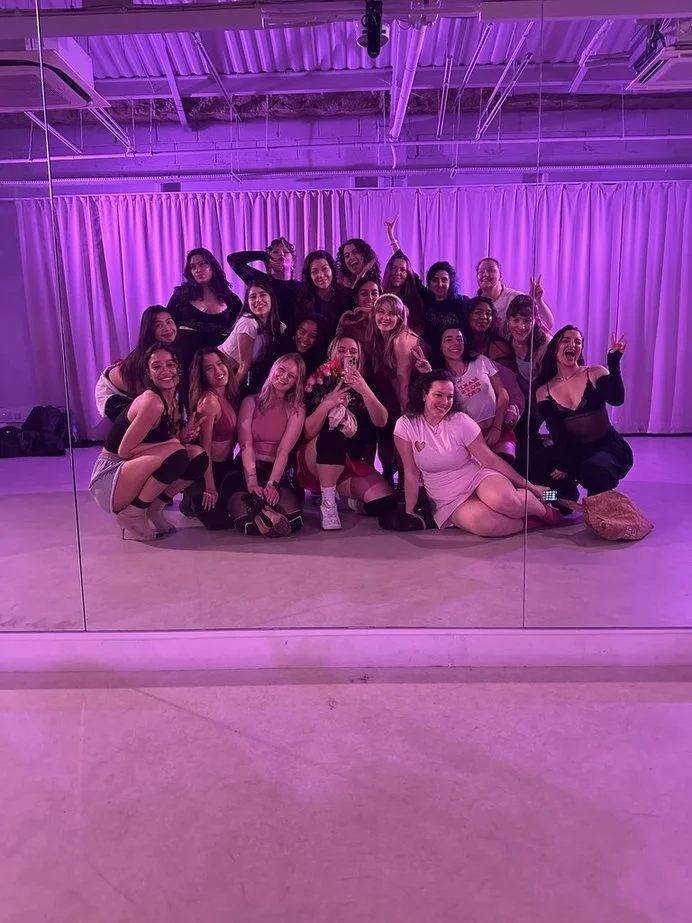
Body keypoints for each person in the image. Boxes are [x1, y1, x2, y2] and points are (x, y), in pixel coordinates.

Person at [394, 371, 560, 535]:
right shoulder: (406, 425)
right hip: (447, 498)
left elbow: (490, 460)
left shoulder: (460, 421)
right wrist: (411, 512)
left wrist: (529, 485)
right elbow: (411, 472)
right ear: (424, 395)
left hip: (477, 477)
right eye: (438, 395)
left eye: (450, 397)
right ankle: (530, 522)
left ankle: (543, 510)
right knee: (489, 525)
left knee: (506, 501)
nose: (445, 402)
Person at [88, 344, 208, 541]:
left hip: (131, 470)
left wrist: (181, 438)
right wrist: (172, 445)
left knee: (197, 457)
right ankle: (132, 515)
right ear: (148, 374)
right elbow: (125, 450)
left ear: (179, 368)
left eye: (170, 364)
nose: (165, 371)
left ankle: (154, 509)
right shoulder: (152, 401)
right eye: (156, 366)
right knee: (176, 454)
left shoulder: (173, 401)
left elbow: (164, 443)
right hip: (109, 477)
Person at [297, 336, 395, 531]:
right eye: (341, 350)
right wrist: (327, 404)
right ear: (331, 354)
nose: (347, 355)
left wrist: (365, 390)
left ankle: (348, 500)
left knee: (385, 503)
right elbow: (307, 431)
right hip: (314, 457)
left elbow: (381, 421)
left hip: (349, 463)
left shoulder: (367, 385)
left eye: (353, 352)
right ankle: (328, 505)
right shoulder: (317, 381)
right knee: (333, 437)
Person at [535, 327, 633, 498]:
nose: (572, 344)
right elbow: (557, 431)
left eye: (577, 342)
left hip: (605, 448)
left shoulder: (594, 372)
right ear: (555, 347)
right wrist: (564, 465)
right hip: (572, 450)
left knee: (595, 470)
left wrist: (614, 361)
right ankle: (555, 502)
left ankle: (596, 503)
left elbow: (617, 399)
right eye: (566, 340)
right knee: (541, 472)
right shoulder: (544, 391)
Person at [227, 354, 306, 536]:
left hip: (274, 470)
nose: (284, 376)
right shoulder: (250, 402)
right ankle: (263, 512)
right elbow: (246, 445)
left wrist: (272, 483)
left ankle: (262, 510)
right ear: (273, 369)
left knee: (296, 520)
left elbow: (284, 450)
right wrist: (252, 481)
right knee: (245, 524)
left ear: (296, 382)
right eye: (282, 370)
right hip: (246, 468)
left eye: (291, 375)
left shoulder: (297, 408)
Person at [367, 293, 431, 483]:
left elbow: (404, 379)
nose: (385, 317)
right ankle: (389, 472)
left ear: (400, 317)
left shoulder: (401, 339)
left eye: (392, 314)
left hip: (411, 395)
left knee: (401, 435)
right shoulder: (379, 336)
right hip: (392, 392)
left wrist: (404, 413)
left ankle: (404, 481)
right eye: (381, 312)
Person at [436, 327, 517, 463]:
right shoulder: (442, 378)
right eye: (448, 340)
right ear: (440, 346)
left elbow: (503, 393)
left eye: (459, 339)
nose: (455, 343)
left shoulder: (481, 361)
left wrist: (496, 427)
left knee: (506, 462)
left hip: (498, 429)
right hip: (470, 439)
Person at [95, 305, 178, 422]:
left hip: (136, 392)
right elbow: (152, 395)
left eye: (169, 322)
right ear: (149, 330)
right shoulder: (149, 355)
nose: (167, 328)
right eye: (158, 325)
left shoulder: (170, 348)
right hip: (113, 392)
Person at [187, 347, 240, 529]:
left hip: (226, 466)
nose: (218, 371)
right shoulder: (209, 403)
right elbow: (205, 449)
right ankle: (190, 499)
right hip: (208, 470)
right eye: (209, 368)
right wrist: (210, 486)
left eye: (219, 364)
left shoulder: (230, 394)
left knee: (239, 511)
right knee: (219, 522)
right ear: (203, 376)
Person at [167, 248, 242, 370]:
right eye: (193, 267)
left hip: (219, 364)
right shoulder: (181, 296)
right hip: (186, 361)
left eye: (202, 264)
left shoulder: (231, 299)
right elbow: (167, 323)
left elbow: (240, 330)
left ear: (212, 266)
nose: (197, 270)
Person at [218, 279, 285, 391]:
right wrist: (230, 393)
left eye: (262, 295)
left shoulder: (278, 326)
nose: (258, 300)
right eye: (253, 297)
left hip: (236, 373)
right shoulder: (248, 322)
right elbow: (244, 366)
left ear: (271, 298)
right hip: (221, 371)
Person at [227, 237, 302, 324]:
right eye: (275, 252)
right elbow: (232, 260)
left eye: (285, 252)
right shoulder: (260, 281)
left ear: (292, 260)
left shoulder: (301, 287)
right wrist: (262, 256)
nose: (281, 254)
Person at [476, 257, 553, 328]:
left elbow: (548, 324)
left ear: (500, 275)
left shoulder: (515, 298)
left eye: (491, 270)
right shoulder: (475, 303)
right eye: (481, 271)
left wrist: (538, 301)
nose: (485, 274)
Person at [505, 294, 552, 398]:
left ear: (535, 322)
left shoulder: (545, 345)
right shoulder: (507, 339)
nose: (521, 327)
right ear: (508, 321)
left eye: (527, 321)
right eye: (516, 320)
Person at [296, 250, 352, 336]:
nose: (321, 275)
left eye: (325, 269)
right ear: (309, 276)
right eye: (314, 271)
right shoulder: (303, 299)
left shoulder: (346, 295)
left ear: (332, 270)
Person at [423, 260, 471, 342]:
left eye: (444, 280)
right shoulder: (425, 301)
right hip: (429, 352)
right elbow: (411, 275)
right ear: (429, 283)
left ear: (451, 283)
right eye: (435, 280)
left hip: (455, 351)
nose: (439, 284)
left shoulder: (463, 303)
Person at [381, 249, 425, 336]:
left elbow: (418, 330)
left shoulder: (415, 300)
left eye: (402, 270)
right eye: (394, 268)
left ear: (407, 274)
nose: (398, 273)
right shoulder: (380, 296)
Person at [272, 311, 330, 377]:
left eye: (312, 336)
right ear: (295, 331)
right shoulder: (278, 349)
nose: (305, 338)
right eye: (302, 332)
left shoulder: (319, 365)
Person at [335, 277, 381, 346]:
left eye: (374, 293)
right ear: (356, 298)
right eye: (364, 294)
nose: (370, 298)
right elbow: (339, 348)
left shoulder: (384, 319)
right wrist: (341, 326)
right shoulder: (349, 321)